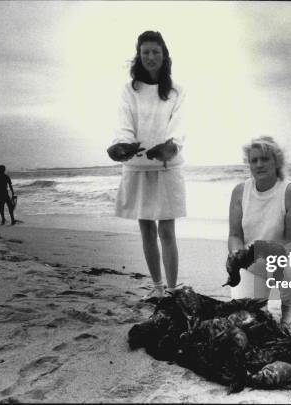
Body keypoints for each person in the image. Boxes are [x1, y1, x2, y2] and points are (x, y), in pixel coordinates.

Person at [107, 31, 186, 300]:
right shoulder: (130, 90)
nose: (151, 57)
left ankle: (173, 290)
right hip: (137, 164)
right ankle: (157, 288)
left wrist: (170, 146)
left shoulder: (177, 90)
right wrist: (122, 145)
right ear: (139, 56)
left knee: (166, 230)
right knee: (146, 230)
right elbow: (124, 123)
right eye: (145, 52)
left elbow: (179, 126)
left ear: (164, 55)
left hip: (167, 164)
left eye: (155, 52)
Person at [227, 136, 291, 327]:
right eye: (254, 160)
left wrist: (276, 255)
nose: (259, 164)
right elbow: (235, 235)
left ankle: (287, 306)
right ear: (249, 164)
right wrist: (236, 254)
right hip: (250, 262)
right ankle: (262, 302)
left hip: (280, 260)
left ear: (276, 161)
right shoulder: (239, 191)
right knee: (249, 319)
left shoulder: (290, 192)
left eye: (265, 159)